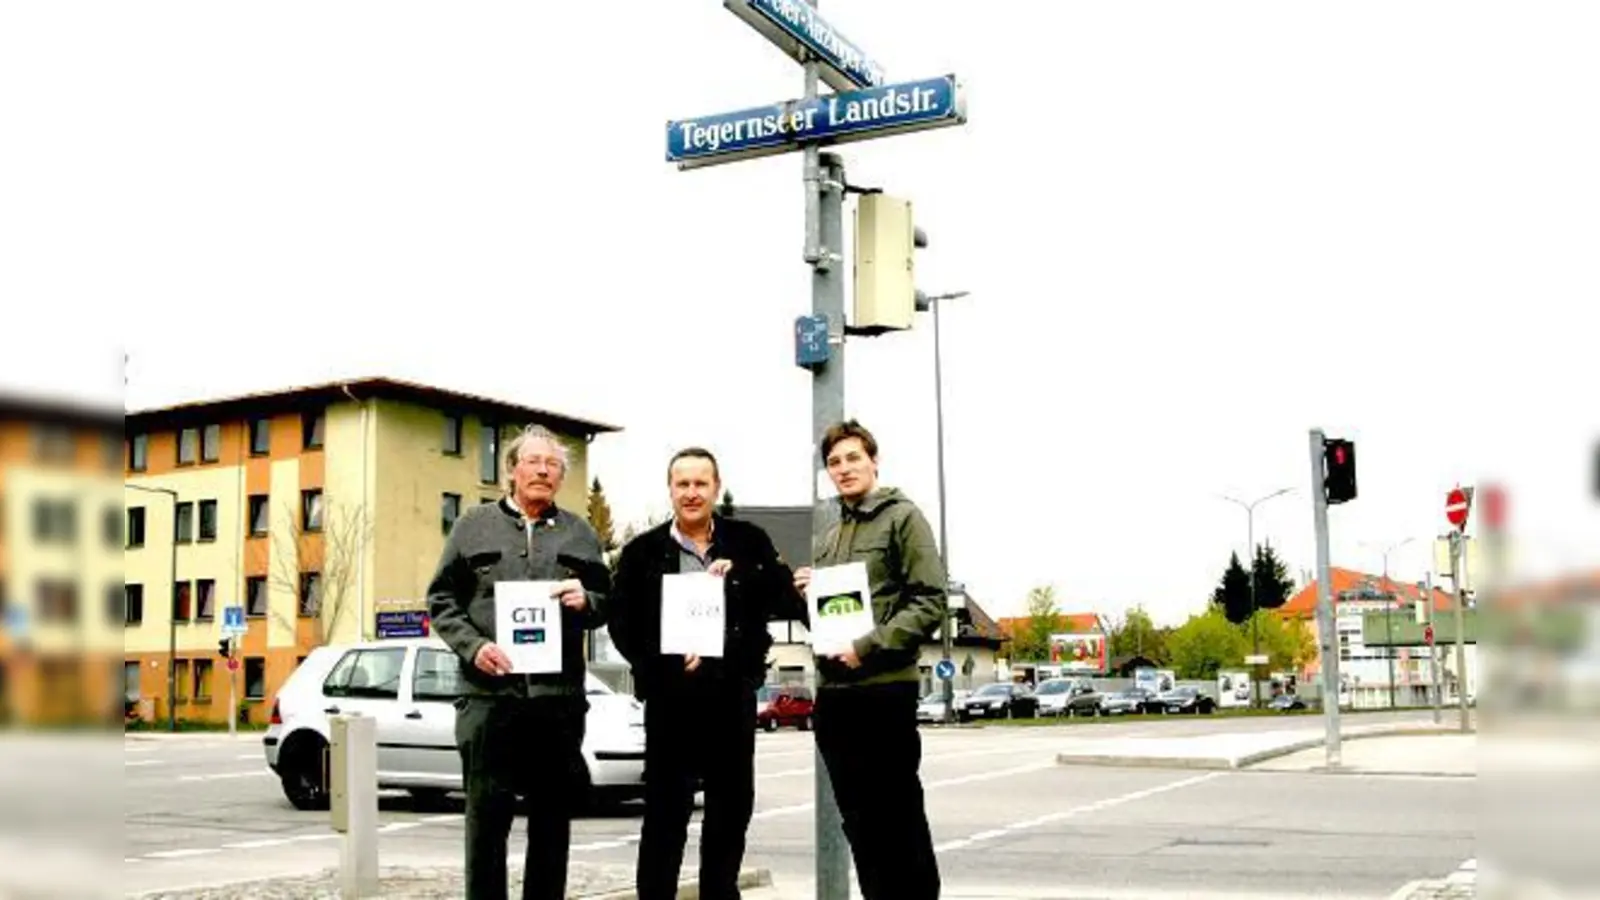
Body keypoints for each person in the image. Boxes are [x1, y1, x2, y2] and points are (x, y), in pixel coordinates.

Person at [608, 447, 806, 900]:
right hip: (669, 701)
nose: (692, 493)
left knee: (730, 813)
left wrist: (740, 577)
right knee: (664, 815)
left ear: (716, 488)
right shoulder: (642, 552)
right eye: (683, 484)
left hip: (731, 698)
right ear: (670, 490)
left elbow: (783, 599)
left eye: (701, 483)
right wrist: (663, 661)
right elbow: (623, 625)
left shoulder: (748, 541)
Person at [426, 424, 610, 900]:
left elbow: (611, 600)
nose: (543, 471)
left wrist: (586, 600)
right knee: (486, 825)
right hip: (488, 701)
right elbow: (442, 600)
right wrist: (473, 647)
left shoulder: (579, 532)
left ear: (561, 476)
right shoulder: (472, 526)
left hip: (557, 704)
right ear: (512, 470)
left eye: (552, 465)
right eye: (533, 461)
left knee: (552, 825)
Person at [792, 420, 946, 900]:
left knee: (898, 818)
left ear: (874, 461)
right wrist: (806, 595)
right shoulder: (828, 536)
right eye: (834, 462)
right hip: (837, 697)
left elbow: (929, 600)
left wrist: (867, 645)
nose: (844, 469)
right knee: (859, 823)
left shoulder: (904, 517)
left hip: (885, 690)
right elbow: (830, 620)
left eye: (853, 458)